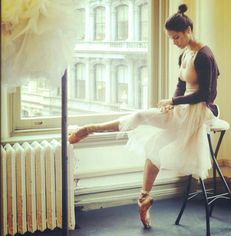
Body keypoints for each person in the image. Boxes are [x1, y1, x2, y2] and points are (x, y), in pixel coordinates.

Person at [68, 4, 220, 229]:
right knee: (153, 145)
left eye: (176, 37)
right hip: (183, 109)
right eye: (171, 38)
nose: (174, 42)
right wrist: (172, 102)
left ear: (189, 30)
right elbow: (180, 83)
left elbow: (208, 93)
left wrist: (173, 102)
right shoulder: (185, 53)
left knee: (142, 118)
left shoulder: (204, 55)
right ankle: (144, 198)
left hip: (201, 111)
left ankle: (91, 129)